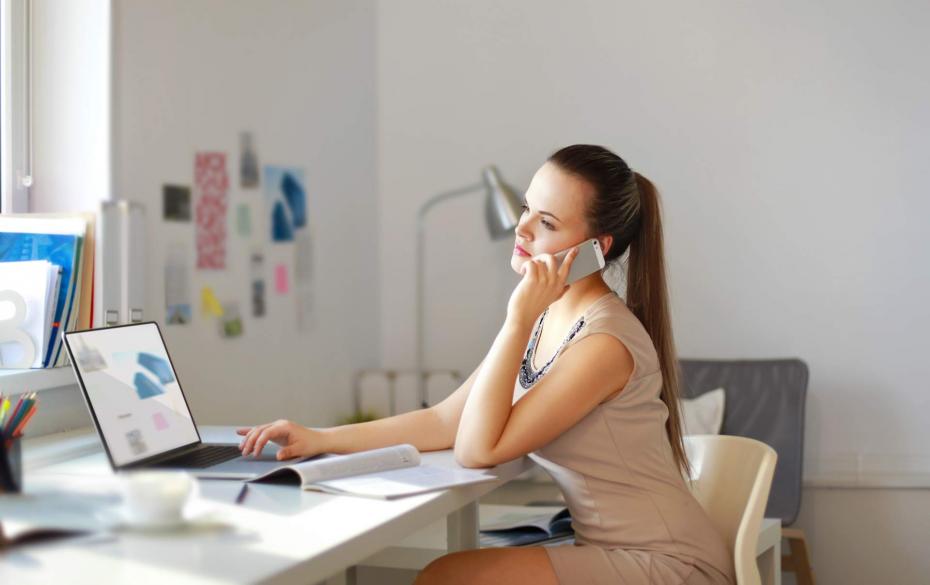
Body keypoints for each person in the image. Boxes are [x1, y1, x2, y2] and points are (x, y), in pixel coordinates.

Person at [238, 145, 735, 585]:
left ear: (596, 249)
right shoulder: (550, 316)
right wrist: (320, 438)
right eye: (526, 208)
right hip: (607, 552)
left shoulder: (603, 342)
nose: (520, 228)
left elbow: (479, 449)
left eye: (547, 223)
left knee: (447, 577)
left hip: (670, 565)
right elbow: (445, 420)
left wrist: (516, 319)